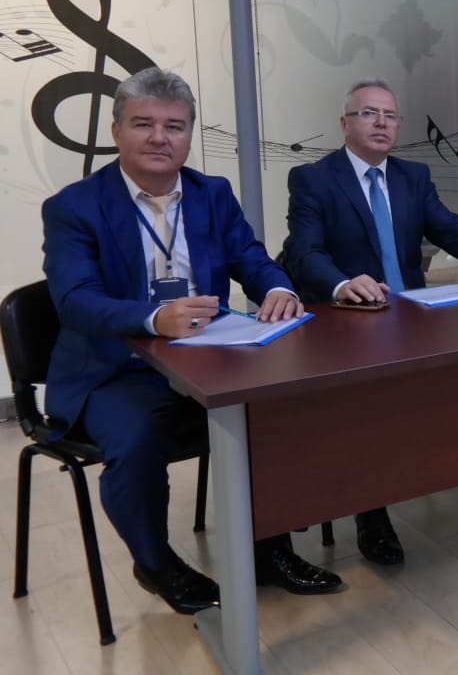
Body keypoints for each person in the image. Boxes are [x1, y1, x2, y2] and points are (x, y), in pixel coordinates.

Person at [41, 67, 342, 616]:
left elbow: (250, 258)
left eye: (174, 126)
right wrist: (155, 318)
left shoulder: (212, 193)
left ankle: (268, 549)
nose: (160, 137)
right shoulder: (75, 207)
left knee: (276, 413)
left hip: (210, 359)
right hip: (115, 369)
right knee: (137, 440)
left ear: (188, 135)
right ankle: (156, 563)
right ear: (116, 130)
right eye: (144, 124)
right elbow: (76, 300)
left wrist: (278, 288)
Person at [282, 78, 458, 555]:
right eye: (369, 113)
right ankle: (372, 512)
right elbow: (304, 252)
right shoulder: (313, 179)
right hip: (349, 324)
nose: (381, 123)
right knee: (370, 402)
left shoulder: (412, 177)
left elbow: (451, 230)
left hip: (412, 318)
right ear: (344, 123)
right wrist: (341, 284)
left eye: (390, 116)